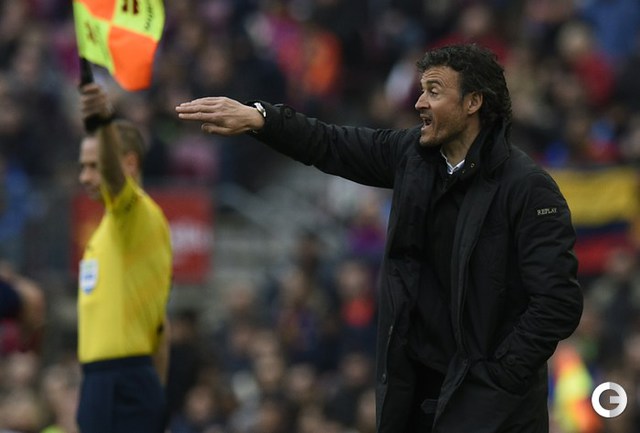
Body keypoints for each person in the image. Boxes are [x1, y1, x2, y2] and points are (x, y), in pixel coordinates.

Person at [176, 43, 584, 432]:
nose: (419, 102)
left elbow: (558, 302)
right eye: (421, 90)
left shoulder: (528, 188)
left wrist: (498, 377)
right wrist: (262, 119)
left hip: (491, 411)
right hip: (418, 399)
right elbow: (330, 143)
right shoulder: (411, 156)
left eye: (434, 91)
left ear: (473, 102)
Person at [76, 82, 173, 433]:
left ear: (129, 163)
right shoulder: (106, 232)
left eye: (94, 165)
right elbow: (161, 329)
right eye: (83, 166)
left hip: (123, 381)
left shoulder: (136, 214)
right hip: (102, 381)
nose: (84, 176)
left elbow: (115, 181)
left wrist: (104, 123)